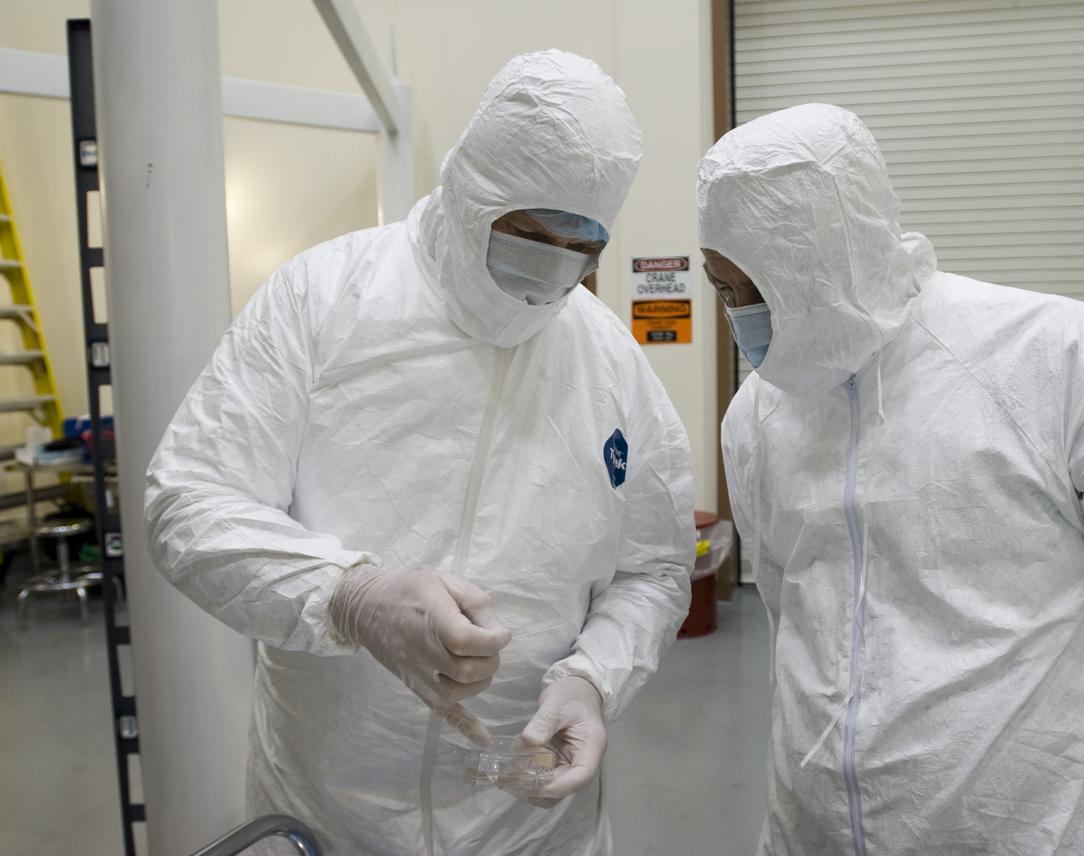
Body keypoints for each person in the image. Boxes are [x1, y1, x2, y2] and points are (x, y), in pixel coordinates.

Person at [145, 50, 695, 855]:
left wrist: (592, 679)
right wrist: (350, 597)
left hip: (533, 821)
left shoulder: (609, 362)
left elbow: (654, 567)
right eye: (528, 233)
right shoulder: (325, 301)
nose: (553, 268)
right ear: (470, 192)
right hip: (337, 805)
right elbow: (186, 501)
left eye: (581, 247)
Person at [698, 103, 1084, 855]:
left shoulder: (1060, 359)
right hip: (813, 819)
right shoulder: (760, 413)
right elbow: (791, 602)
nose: (742, 314)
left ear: (835, 254)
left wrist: (1052, 719)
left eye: (758, 286)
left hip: (1022, 825)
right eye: (724, 288)